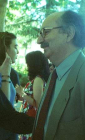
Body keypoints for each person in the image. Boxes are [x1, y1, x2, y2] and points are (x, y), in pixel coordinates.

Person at [32, 10, 85, 140]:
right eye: (40, 33)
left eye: (46, 32)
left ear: (69, 33)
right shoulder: (54, 76)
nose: (39, 40)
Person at [16, 51, 50, 140]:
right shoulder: (39, 78)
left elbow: (38, 104)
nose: (27, 66)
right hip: (29, 120)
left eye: (28, 63)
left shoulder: (38, 80)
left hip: (32, 120)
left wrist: (22, 93)